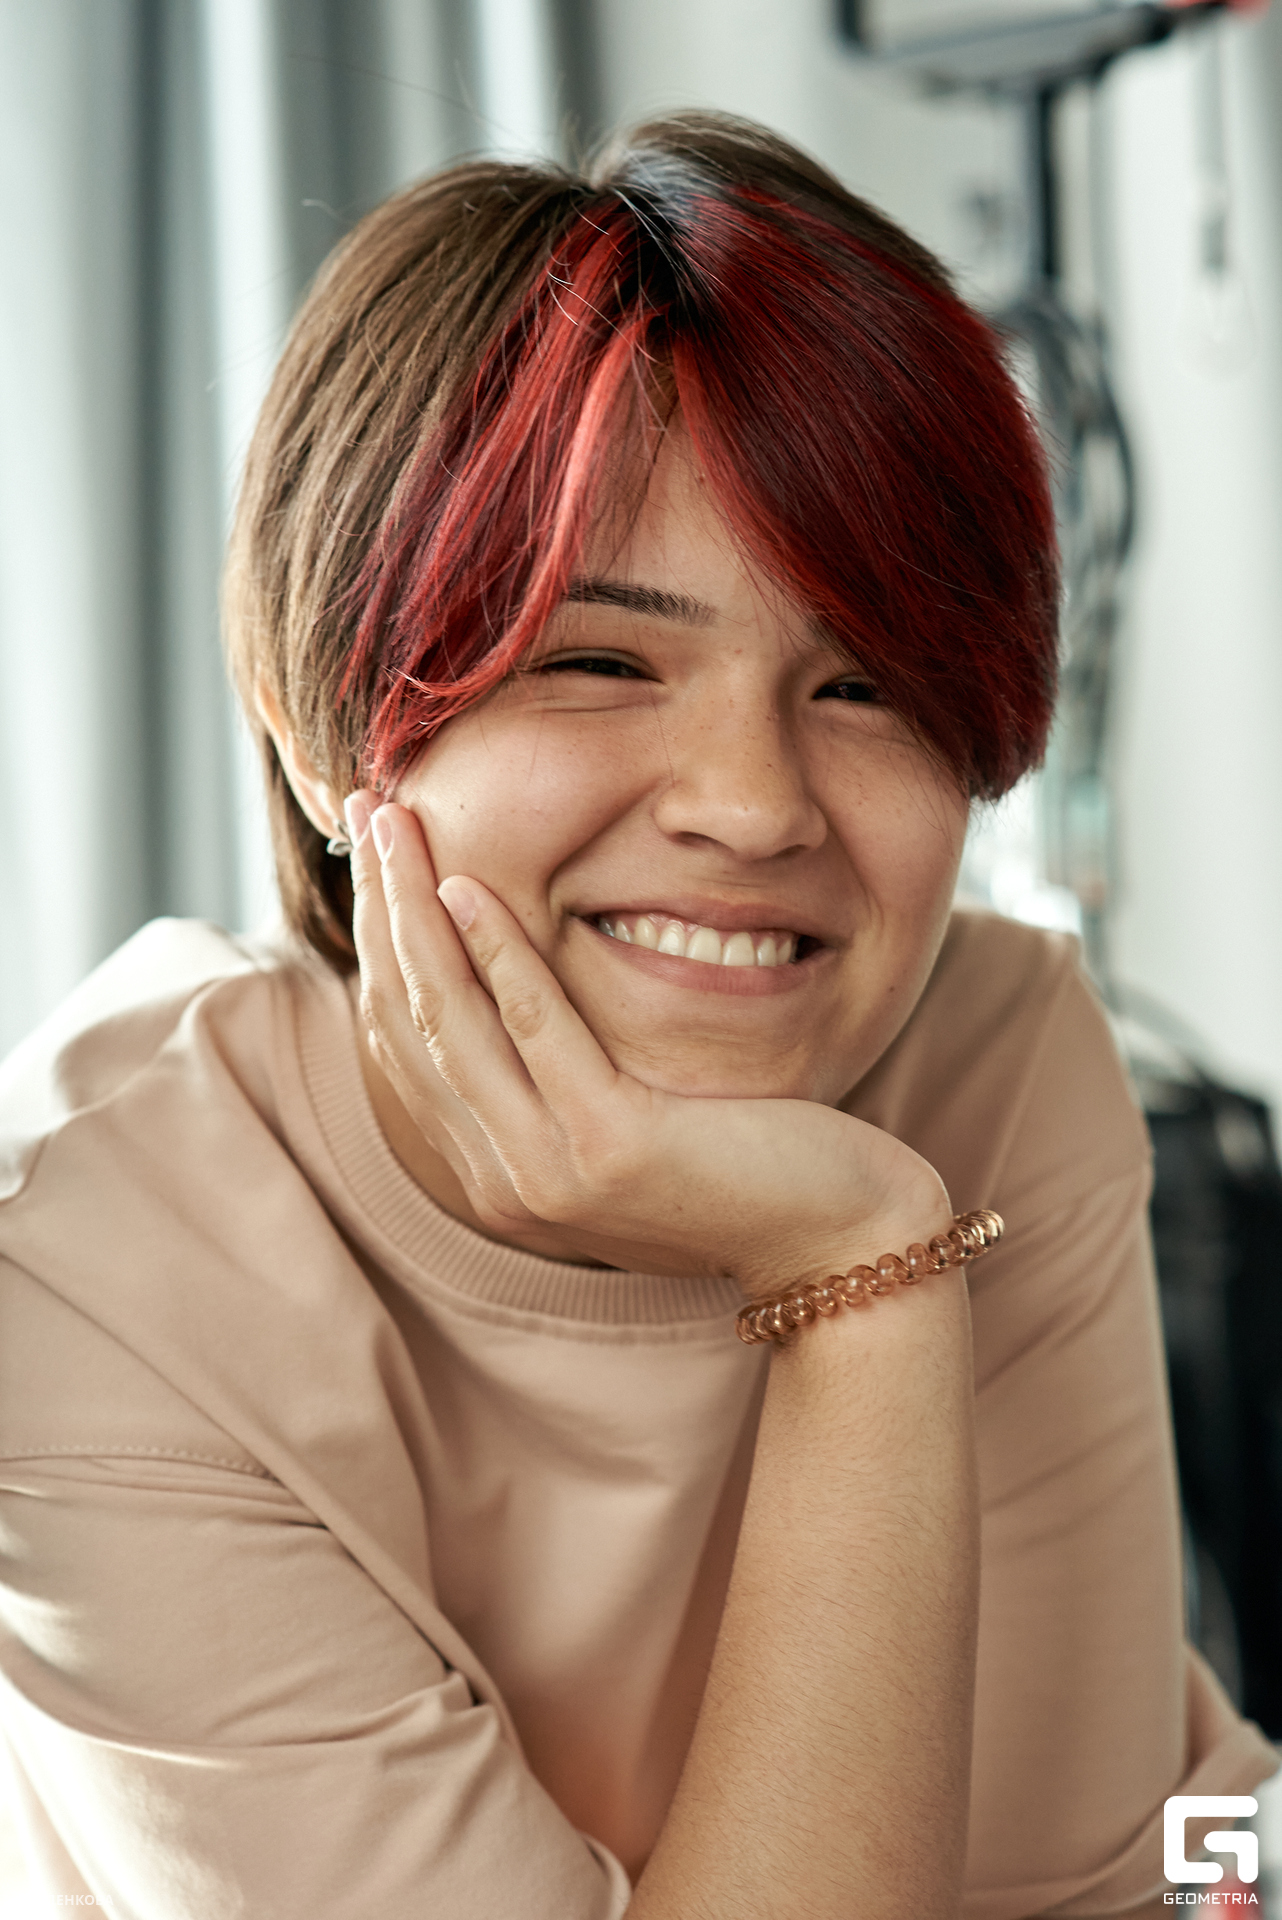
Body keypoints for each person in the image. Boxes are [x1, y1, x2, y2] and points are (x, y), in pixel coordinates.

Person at [0, 111, 1273, 1920]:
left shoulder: (993, 1048)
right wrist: (863, 1274)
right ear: (321, 718)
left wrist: (859, 1259)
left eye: (866, 684)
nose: (752, 806)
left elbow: (1096, 1889)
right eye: (598, 661)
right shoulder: (81, 1276)